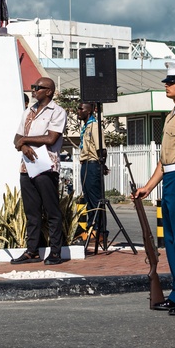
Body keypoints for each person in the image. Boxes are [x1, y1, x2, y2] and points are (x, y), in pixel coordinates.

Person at [134, 61, 175, 315]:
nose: (167, 85)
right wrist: (148, 187)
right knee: (171, 239)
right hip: (171, 178)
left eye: (172, 81)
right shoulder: (173, 112)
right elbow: (164, 159)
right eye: (167, 81)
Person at [11, 77, 68, 266]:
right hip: (26, 166)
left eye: (38, 87)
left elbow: (51, 138)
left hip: (46, 166)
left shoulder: (57, 112)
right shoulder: (29, 110)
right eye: (33, 87)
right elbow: (17, 137)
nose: (33, 90)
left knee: (51, 211)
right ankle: (32, 251)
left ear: (49, 91)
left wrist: (24, 141)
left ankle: (56, 252)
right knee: (31, 211)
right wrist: (23, 146)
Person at [77, 102, 108, 246]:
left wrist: (102, 165)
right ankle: (91, 228)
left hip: (93, 164)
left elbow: (101, 149)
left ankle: (100, 231)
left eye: (81, 109)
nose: (78, 111)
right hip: (85, 164)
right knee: (88, 199)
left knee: (96, 200)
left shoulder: (94, 126)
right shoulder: (86, 126)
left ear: (88, 111)